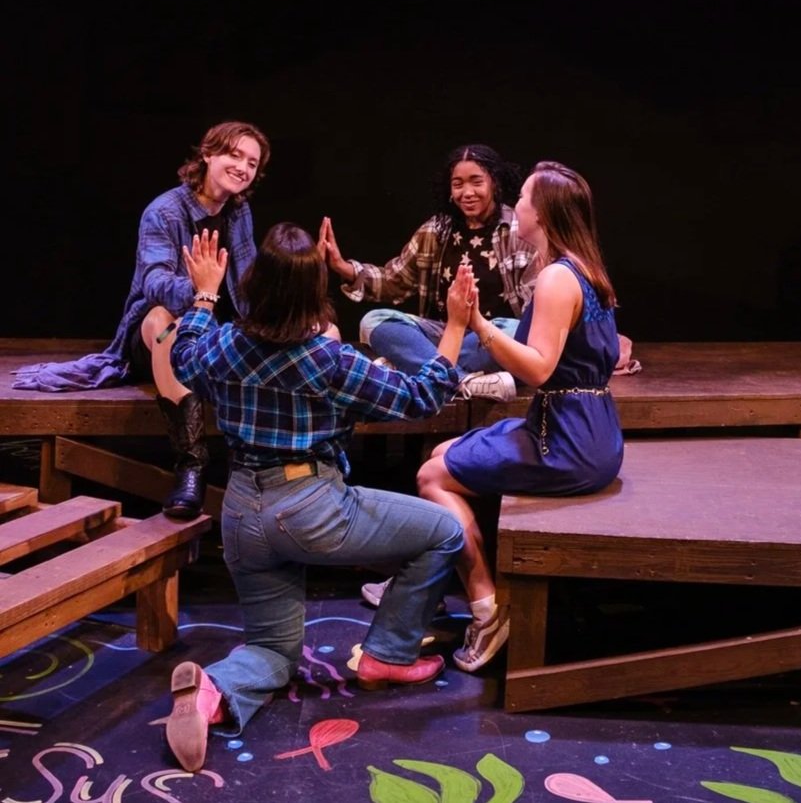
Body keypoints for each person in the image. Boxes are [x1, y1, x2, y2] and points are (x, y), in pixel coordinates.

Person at [163, 222, 476, 773]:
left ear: (256, 282)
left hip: (240, 510)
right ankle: (387, 655)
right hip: (311, 507)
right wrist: (453, 326)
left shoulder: (223, 344)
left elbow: (182, 357)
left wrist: (206, 293)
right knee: (444, 532)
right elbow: (423, 396)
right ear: (314, 292)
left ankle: (213, 690)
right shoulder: (328, 360)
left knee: (272, 653)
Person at [411, 160, 624, 673]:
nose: (517, 206)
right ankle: (433, 579)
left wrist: (475, 324)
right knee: (444, 452)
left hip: (564, 442)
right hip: (591, 432)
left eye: (524, 197)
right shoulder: (585, 268)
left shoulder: (556, 278)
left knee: (430, 477)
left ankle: (487, 609)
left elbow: (538, 369)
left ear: (542, 212)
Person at [13, 120, 271, 518]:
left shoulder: (239, 212)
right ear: (207, 154)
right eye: (234, 155)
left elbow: (249, 279)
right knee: (164, 321)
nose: (243, 167)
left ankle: (255, 472)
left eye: (252, 163)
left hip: (213, 331)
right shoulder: (164, 211)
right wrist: (201, 288)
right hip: (157, 335)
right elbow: (154, 282)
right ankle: (191, 464)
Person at [320, 143, 543, 402]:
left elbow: (535, 307)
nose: (467, 192)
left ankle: (413, 364)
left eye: (476, 182)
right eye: (458, 184)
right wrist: (343, 267)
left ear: (494, 182)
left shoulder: (517, 230)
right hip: (443, 334)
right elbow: (394, 280)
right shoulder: (436, 231)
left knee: (519, 329)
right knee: (373, 320)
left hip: (492, 338)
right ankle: (463, 381)